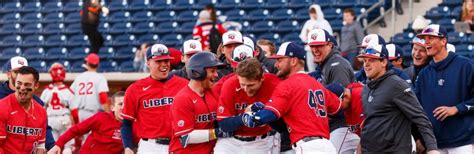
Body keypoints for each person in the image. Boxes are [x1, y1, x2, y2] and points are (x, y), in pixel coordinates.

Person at [242, 42, 342, 153]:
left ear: (293, 61)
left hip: (308, 147)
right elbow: (338, 110)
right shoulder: (317, 84)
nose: (276, 65)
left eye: (280, 60)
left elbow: (269, 115)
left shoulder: (287, 85)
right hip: (327, 146)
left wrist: (253, 117)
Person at [357, 44, 439, 153]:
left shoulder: (397, 85)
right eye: (364, 61)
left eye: (372, 60)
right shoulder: (367, 88)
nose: (366, 64)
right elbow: (370, 122)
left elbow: (420, 117)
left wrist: (432, 147)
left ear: (384, 62)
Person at [415, 24, 474, 153]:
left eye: (431, 38)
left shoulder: (466, 66)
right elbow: (416, 108)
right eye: (425, 39)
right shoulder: (423, 74)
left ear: (443, 41)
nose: (426, 42)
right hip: (434, 143)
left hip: (462, 141)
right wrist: (420, 137)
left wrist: (457, 109)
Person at [121, 44, 189, 154]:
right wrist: (127, 146)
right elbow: (126, 123)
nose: (164, 65)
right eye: (158, 61)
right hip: (150, 146)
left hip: (179, 144)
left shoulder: (184, 85)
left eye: (166, 61)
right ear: (148, 63)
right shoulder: (135, 89)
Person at [307, 28, 358, 154]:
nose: (314, 50)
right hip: (335, 127)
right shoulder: (326, 64)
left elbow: (343, 102)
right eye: (312, 46)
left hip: (343, 127)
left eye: (319, 45)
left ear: (329, 45)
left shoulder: (337, 65)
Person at [214, 58, 281, 153]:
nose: (246, 89)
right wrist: (243, 119)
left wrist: (264, 115)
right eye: (242, 84)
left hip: (261, 142)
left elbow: (283, 122)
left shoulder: (274, 84)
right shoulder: (230, 84)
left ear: (262, 78)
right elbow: (224, 124)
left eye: (251, 85)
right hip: (231, 142)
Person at [169, 52, 231, 153]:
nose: (216, 75)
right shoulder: (182, 99)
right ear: (198, 72)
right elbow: (186, 137)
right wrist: (216, 133)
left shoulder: (213, 93)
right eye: (212, 71)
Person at [0, 56, 55, 150]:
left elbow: (44, 129)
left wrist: (52, 146)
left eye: (23, 70)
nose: (21, 74)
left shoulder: (38, 103)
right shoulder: (3, 102)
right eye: (16, 71)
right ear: (8, 74)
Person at [47, 91, 125, 154]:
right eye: (120, 104)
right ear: (112, 108)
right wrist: (58, 145)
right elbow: (76, 130)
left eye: (127, 104)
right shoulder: (101, 118)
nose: (123, 107)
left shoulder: (131, 126)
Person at [41, 63, 74, 154]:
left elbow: (41, 108)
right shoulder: (68, 90)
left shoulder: (46, 90)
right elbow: (74, 110)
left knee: (53, 147)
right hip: (64, 118)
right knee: (68, 146)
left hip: (51, 119)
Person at [70, 53, 110, 122]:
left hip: (80, 113)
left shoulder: (79, 77)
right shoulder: (100, 77)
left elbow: (70, 94)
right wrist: (108, 113)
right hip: (94, 113)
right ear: (98, 65)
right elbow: (103, 96)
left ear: (87, 63)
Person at [299, 4, 333, 72]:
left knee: (323, 68)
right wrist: (307, 34)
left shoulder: (324, 22)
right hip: (310, 49)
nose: (313, 15)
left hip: (322, 49)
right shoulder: (308, 23)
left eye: (314, 13)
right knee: (311, 69)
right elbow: (303, 37)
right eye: (311, 13)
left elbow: (329, 35)